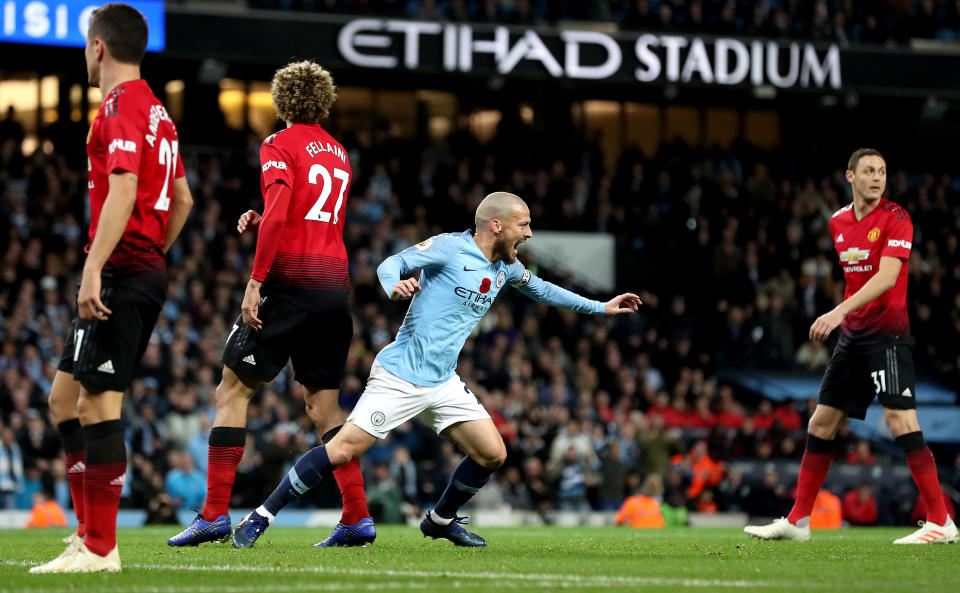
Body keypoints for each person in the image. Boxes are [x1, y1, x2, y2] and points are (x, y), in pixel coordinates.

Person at [231, 191, 640, 548]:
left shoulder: (507, 268)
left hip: (442, 382)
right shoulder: (448, 247)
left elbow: (547, 291)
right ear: (497, 225)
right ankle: (259, 517)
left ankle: (440, 520)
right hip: (400, 376)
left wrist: (601, 307)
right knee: (341, 450)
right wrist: (394, 285)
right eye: (524, 224)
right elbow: (392, 263)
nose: (529, 233)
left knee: (493, 454)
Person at [167, 60, 374, 548]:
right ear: (324, 101)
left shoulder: (278, 144)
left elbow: (285, 211)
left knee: (231, 393)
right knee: (325, 409)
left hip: (288, 287)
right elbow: (311, 215)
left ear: (282, 102)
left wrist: (255, 281)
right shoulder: (340, 152)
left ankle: (215, 514)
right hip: (332, 288)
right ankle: (356, 516)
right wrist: (265, 217)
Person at [31, 3, 194, 573]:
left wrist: (99, 267)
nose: (84, 54)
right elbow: (184, 201)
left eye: (84, 45)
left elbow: (124, 191)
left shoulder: (122, 106)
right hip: (136, 267)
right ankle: (87, 535)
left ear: (99, 47)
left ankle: (101, 548)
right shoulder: (158, 112)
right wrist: (152, 253)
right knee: (63, 399)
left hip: (121, 272)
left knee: (100, 402)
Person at [745, 148, 957, 544]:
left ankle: (941, 522)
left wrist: (838, 311)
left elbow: (887, 278)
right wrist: (846, 317)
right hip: (853, 339)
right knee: (821, 423)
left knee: (900, 421)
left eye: (882, 171)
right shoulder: (838, 222)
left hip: (888, 336)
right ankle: (797, 522)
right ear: (850, 176)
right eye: (869, 171)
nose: (877, 178)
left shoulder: (897, 218)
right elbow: (856, 278)